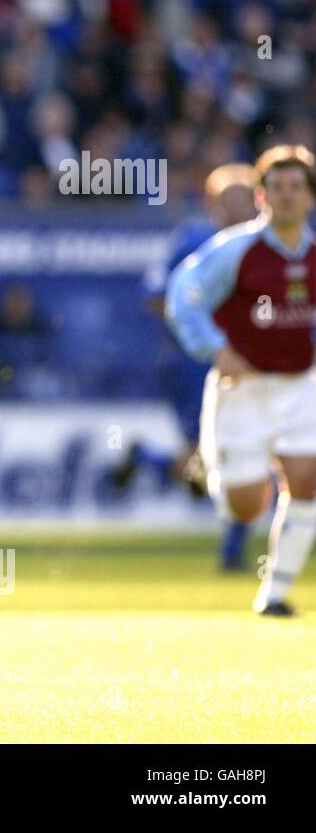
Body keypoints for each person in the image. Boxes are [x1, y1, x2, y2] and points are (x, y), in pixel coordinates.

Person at [165, 145, 316, 616]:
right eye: (277, 188)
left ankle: (273, 594)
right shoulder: (235, 250)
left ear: (310, 197)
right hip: (242, 390)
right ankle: (216, 472)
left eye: (296, 188)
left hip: (300, 385)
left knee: (307, 485)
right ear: (260, 195)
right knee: (245, 508)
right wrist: (215, 348)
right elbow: (183, 297)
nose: (287, 197)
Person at [118, 162, 259, 568]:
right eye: (233, 197)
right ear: (214, 202)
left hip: (246, 362)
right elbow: (157, 296)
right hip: (194, 363)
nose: (242, 205)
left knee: (231, 452)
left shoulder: (259, 246)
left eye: (248, 196)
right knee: (218, 454)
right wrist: (202, 327)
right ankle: (232, 549)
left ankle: (148, 460)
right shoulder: (193, 241)